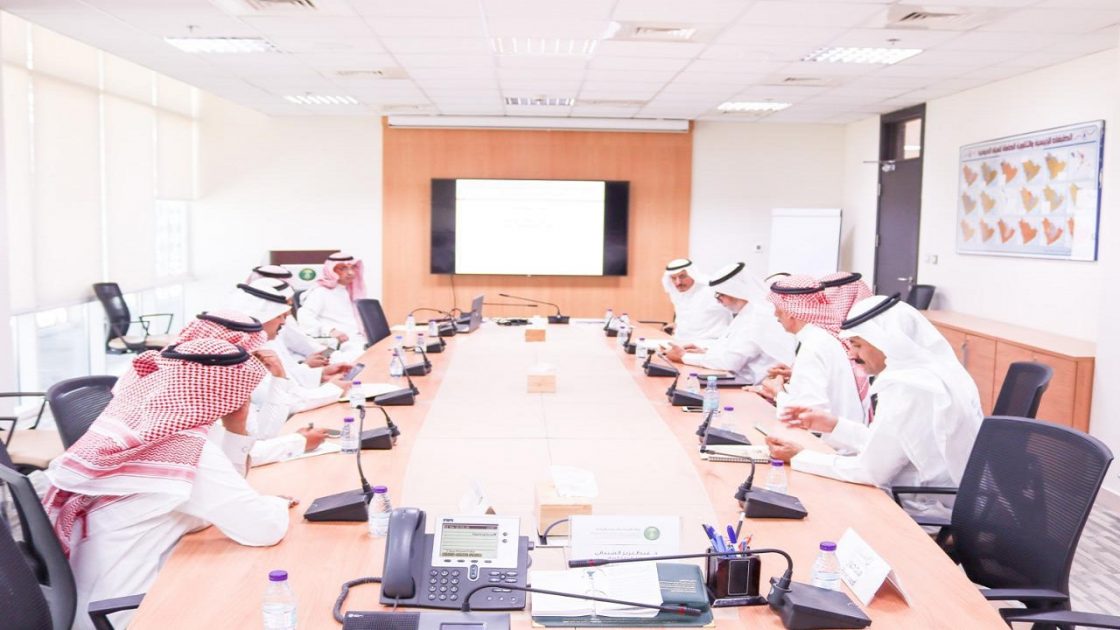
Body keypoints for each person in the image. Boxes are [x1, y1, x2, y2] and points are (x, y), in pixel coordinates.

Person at [43, 338, 293, 629]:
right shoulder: (184, 448)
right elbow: (264, 529)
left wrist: (235, 429)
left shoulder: (138, 420)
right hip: (132, 613)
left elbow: (214, 497)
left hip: (95, 602)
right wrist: (276, 503)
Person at [765, 294, 984, 519]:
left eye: (857, 345)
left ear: (886, 342)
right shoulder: (932, 374)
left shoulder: (909, 387)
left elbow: (871, 472)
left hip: (919, 510)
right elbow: (888, 444)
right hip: (935, 498)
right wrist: (833, 425)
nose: (852, 355)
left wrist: (800, 457)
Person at [762, 275, 869, 450]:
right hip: (846, 442)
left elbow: (808, 417)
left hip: (831, 449)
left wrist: (777, 392)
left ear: (791, 311)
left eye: (777, 308)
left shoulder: (814, 345)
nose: (775, 315)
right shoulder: (824, 338)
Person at [664, 262, 795, 383]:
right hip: (737, 379)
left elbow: (730, 362)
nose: (718, 301)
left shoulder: (758, 317)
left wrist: (683, 357)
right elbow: (730, 348)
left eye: (720, 295)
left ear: (735, 292)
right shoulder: (746, 313)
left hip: (753, 387)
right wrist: (705, 353)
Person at [246, 265, 331, 367]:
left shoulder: (274, 324)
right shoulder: (265, 327)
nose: (284, 320)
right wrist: (307, 364)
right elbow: (302, 344)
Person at [297, 252, 367, 357]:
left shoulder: (352, 292)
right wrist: (330, 331)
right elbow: (304, 318)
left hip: (360, 340)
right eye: (343, 268)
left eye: (352, 268)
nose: (350, 273)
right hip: (339, 344)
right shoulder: (320, 292)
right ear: (331, 270)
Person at [659, 258, 731, 343]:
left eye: (682, 276)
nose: (678, 283)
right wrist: (677, 325)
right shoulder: (676, 292)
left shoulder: (712, 290)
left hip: (708, 343)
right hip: (680, 341)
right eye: (673, 278)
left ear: (692, 274)